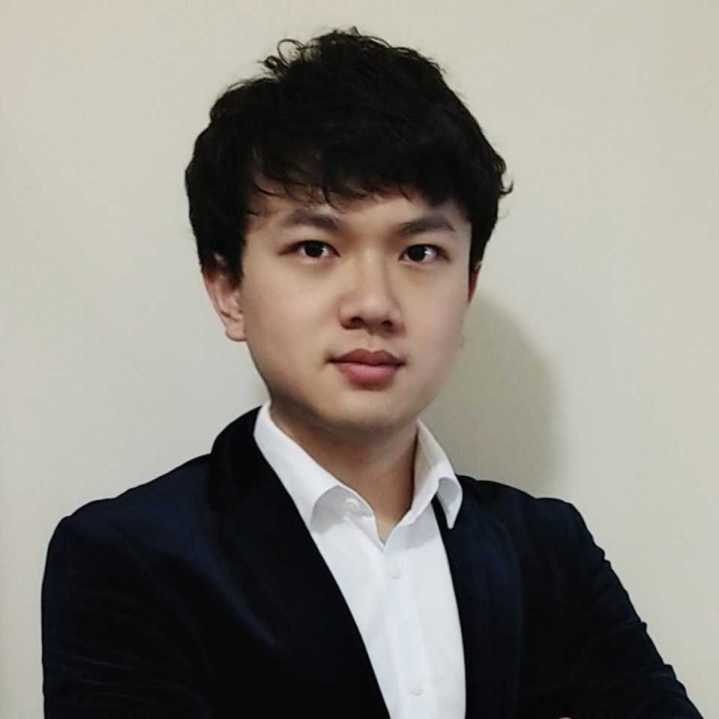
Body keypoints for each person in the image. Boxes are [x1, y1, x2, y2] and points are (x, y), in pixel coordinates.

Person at [41, 27, 703, 719]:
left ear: (467, 287)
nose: (373, 304)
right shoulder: (129, 557)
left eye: (419, 253)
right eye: (315, 247)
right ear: (228, 288)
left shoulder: (545, 548)